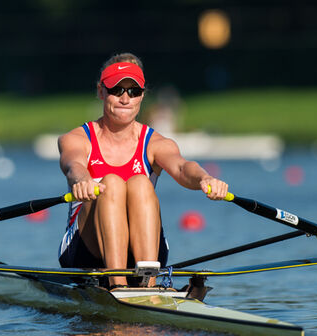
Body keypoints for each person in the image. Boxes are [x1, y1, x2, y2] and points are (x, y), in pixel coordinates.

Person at [58, 53, 228, 288]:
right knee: (112, 183)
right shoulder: (77, 138)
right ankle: (117, 284)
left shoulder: (156, 143)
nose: (125, 98)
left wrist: (204, 178)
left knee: (140, 182)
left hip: (142, 251)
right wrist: (84, 180)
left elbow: (181, 167)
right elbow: (73, 165)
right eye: (117, 89)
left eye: (133, 91)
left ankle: (148, 284)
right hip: (86, 252)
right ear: (101, 92)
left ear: (142, 96)